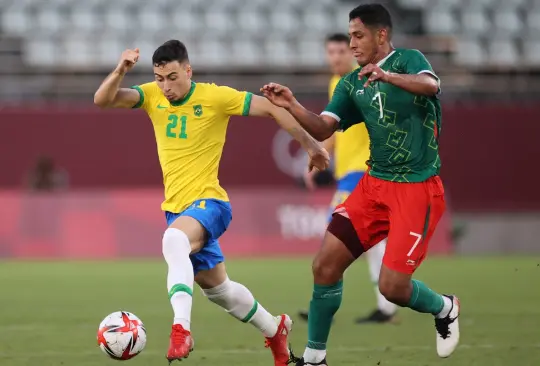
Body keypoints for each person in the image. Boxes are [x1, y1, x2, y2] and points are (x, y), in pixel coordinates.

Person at [93, 40, 329, 365]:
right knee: (221, 292)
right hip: (178, 210)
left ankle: (181, 329)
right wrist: (121, 69)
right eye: (160, 78)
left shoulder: (216, 97)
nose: (166, 86)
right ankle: (275, 330)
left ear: (188, 71)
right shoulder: (151, 96)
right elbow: (102, 99)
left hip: (210, 203)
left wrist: (312, 145)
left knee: (173, 240)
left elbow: (274, 108)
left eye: (173, 77)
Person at [262, 4, 460, 365]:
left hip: (417, 190)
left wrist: (387, 76)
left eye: (357, 35)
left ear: (381, 35)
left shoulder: (408, 60)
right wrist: (291, 104)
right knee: (324, 265)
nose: (352, 43)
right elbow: (323, 126)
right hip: (373, 186)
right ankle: (314, 357)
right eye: (349, 35)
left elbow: (431, 85)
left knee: (393, 287)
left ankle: (445, 307)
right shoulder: (352, 83)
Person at [298, 33, 397, 325]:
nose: (336, 56)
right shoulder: (337, 83)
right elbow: (336, 129)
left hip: (363, 172)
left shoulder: (363, 81)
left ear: (351, 52)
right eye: (331, 51)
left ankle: (324, 305)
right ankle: (387, 305)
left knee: (336, 237)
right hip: (350, 174)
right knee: (371, 244)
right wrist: (318, 153)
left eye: (342, 50)